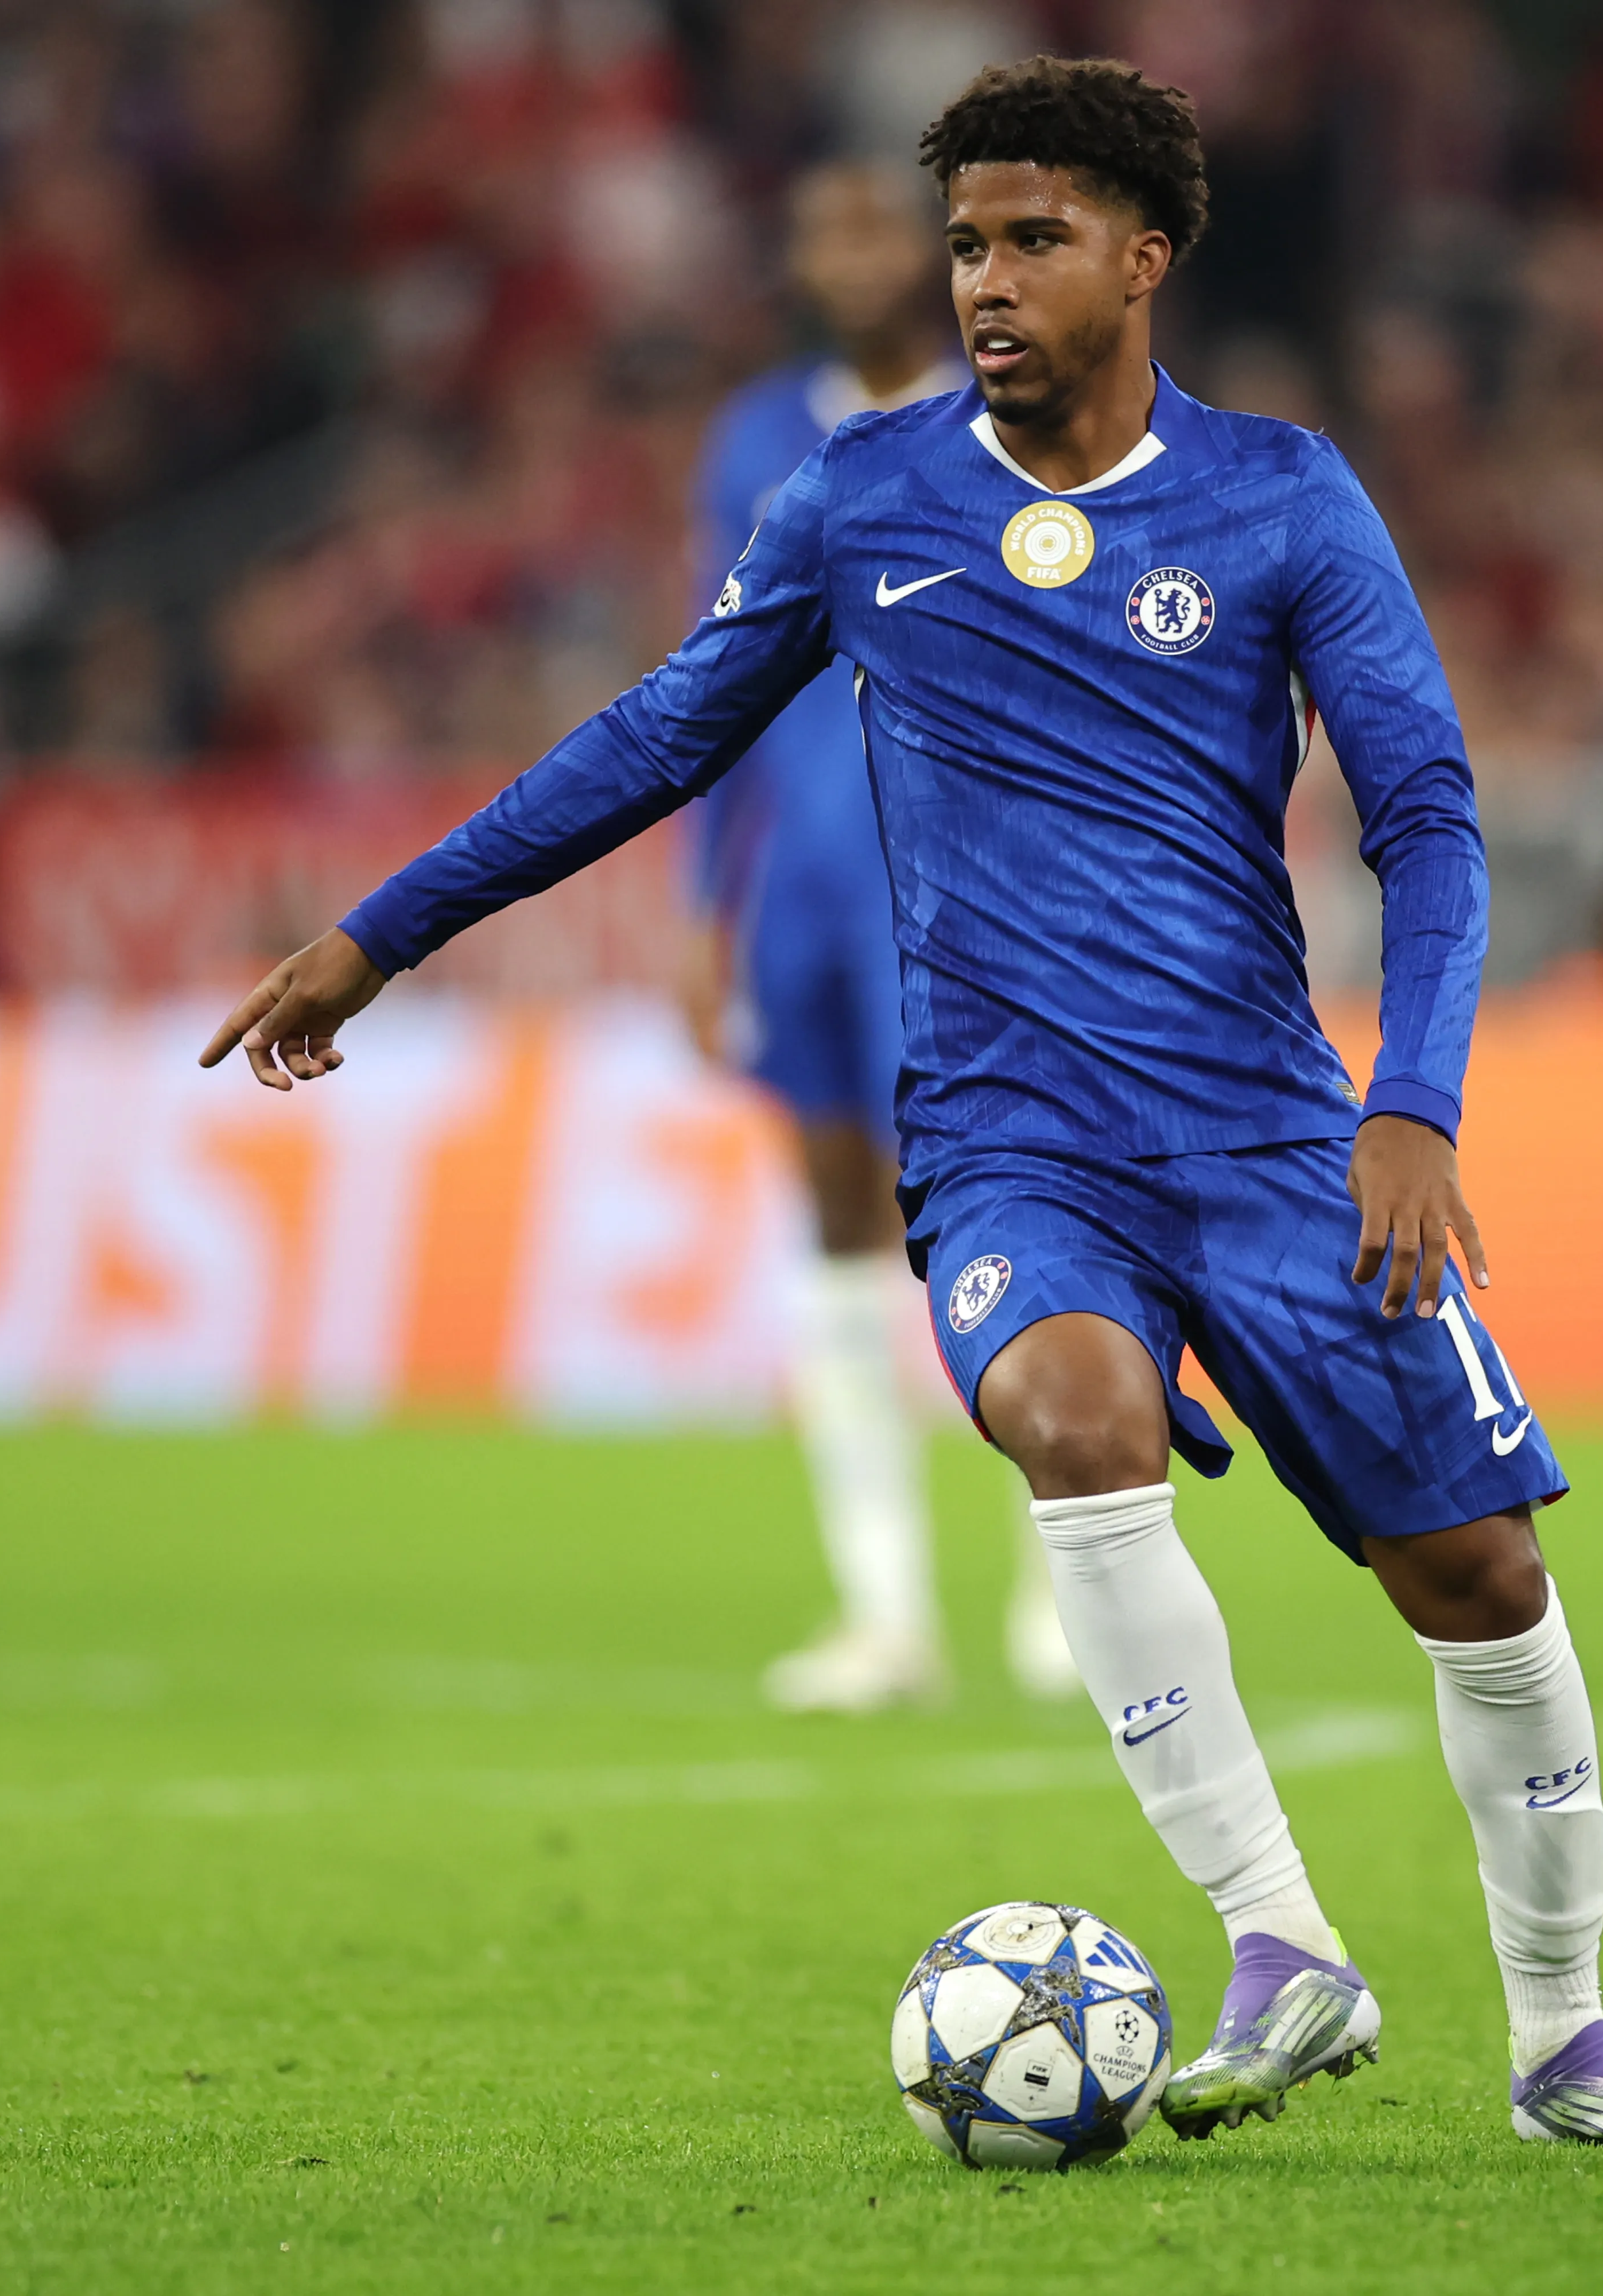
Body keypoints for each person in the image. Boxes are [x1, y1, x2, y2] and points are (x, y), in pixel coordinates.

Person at [201, 56, 1603, 2151]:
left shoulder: (1286, 498)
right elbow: (662, 734)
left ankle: (1567, 2040)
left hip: (1279, 1137)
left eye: (1032, 240)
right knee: (1069, 1416)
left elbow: (1432, 821)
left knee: (1476, 1572)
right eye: (966, 245)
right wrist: (382, 934)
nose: (986, 283)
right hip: (1009, 1140)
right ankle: (1282, 1945)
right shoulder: (863, 499)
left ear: (1146, 256)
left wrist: (1421, 1103)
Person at [685, 160, 1076, 1713]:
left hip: (971, 891)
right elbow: (716, 669)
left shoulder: (1014, 421)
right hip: (802, 892)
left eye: (872, 229)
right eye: (821, 229)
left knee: (1005, 1219)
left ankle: (1061, 1596)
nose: (846, 255)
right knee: (839, 1226)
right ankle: (886, 1617)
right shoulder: (749, 439)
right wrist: (701, 903)